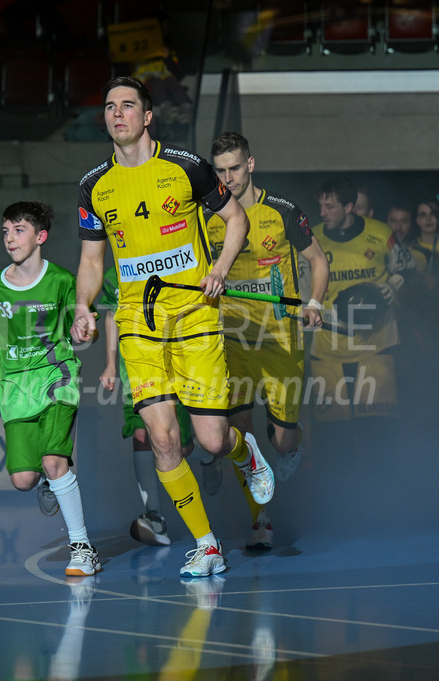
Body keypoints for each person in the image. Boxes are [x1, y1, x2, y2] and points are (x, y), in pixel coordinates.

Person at [72, 76, 274, 579]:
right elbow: (93, 261)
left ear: (147, 118)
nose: (117, 113)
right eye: (109, 106)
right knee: (163, 441)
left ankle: (244, 453)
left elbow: (236, 221)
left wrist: (221, 268)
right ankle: (207, 545)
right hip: (139, 326)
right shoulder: (93, 185)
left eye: (128, 106)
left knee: (211, 441)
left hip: (194, 318)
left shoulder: (187, 168)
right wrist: (82, 305)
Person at [204, 132, 329, 550]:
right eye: (220, 171)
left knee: (281, 438)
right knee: (241, 430)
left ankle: (295, 446)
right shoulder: (207, 215)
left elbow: (318, 261)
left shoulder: (283, 211)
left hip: (280, 338)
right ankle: (260, 520)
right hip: (230, 339)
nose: (228, 178)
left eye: (235, 168)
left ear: (251, 164)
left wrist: (313, 302)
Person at [0, 200, 100, 577]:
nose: (10, 239)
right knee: (23, 479)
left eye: (18, 230)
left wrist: (85, 331)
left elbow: (85, 331)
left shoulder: (62, 281)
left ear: (40, 236)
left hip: (56, 376)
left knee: (53, 460)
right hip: (15, 387)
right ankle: (48, 479)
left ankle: (83, 548)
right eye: (5, 231)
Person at [97, 265, 195, 547]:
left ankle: (209, 456)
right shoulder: (113, 275)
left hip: (173, 364)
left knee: (183, 446)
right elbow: (111, 316)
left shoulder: (164, 259)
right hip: (135, 370)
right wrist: (111, 365)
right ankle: (155, 516)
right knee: (142, 436)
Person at [308, 175, 414, 430]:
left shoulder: (380, 233)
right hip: (328, 350)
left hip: (375, 347)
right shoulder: (311, 238)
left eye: (330, 207)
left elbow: (409, 266)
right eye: (320, 206)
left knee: (378, 433)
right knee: (335, 435)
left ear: (349, 207)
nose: (322, 213)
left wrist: (392, 285)